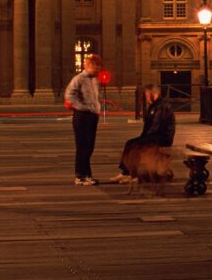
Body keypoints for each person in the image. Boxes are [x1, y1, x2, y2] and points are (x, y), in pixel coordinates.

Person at [112, 82, 175, 182]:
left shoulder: (161, 106)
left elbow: (156, 127)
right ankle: (126, 172)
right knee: (130, 143)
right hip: (155, 135)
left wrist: (144, 139)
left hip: (162, 138)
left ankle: (132, 174)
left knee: (134, 145)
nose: (147, 98)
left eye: (147, 95)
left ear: (155, 93)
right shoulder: (154, 106)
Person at [64, 53, 103, 185]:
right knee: (82, 146)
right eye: (95, 65)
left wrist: (96, 108)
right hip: (82, 116)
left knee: (89, 147)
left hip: (92, 116)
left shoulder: (95, 80)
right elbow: (69, 95)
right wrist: (82, 107)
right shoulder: (79, 78)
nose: (97, 68)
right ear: (87, 65)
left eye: (98, 66)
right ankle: (81, 175)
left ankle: (85, 175)